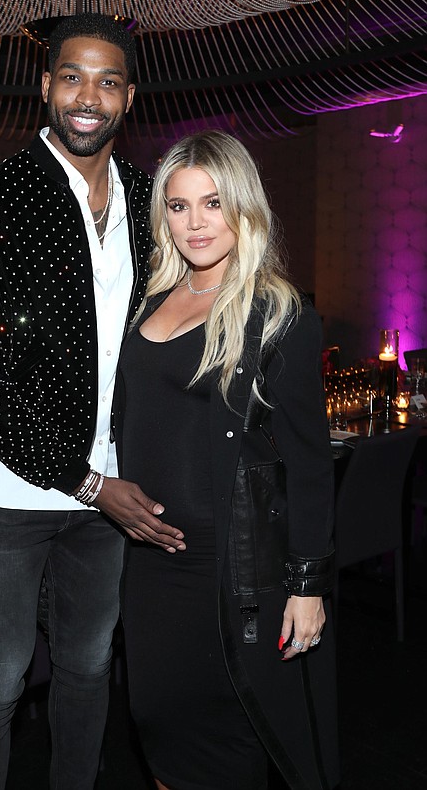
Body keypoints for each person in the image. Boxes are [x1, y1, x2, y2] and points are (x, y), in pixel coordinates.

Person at [0, 13, 185, 790]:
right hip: (10, 495)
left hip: (114, 491)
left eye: (108, 81)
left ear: (129, 97)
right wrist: (88, 484)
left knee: (88, 667)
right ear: (45, 85)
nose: (88, 96)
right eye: (72, 76)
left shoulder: (149, 202)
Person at [116, 130, 339, 790]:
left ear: (243, 206)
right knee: (157, 726)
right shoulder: (147, 302)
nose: (196, 223)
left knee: (230, 745)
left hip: (230, 573)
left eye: (213, 203)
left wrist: (307, 585)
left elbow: (310, 464)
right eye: (179, 206)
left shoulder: (279, 315)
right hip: (148, 568)